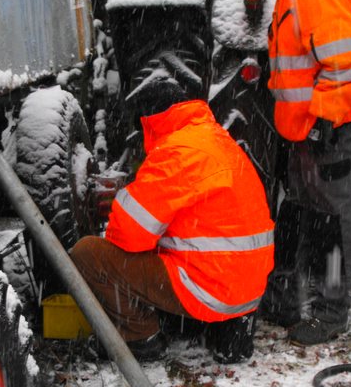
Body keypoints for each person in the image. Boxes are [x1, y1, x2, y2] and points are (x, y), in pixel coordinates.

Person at [232, 0, 351, 346]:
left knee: (333, 221)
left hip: (325, 126)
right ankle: (283, 302)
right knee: (297, 214)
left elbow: (344, 59)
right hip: (304, 128)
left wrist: (325, 120)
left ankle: (331, 313)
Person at [70, 77, 275, 363]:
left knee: (88, 254)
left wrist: (126, 195)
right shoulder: (219, 140)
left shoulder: (174, 152)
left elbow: (127, 236)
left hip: (210, 289)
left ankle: (140, 337)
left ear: (150, 121)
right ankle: (229, 328)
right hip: (248, 289)